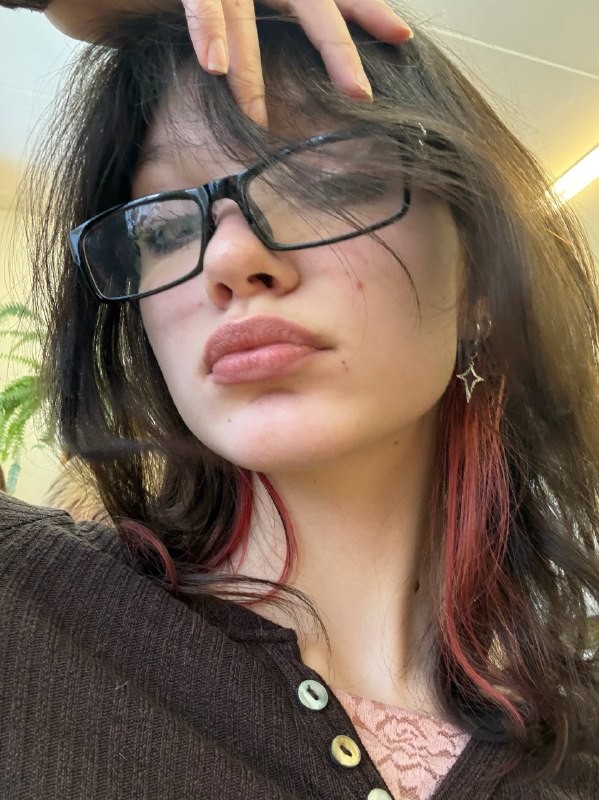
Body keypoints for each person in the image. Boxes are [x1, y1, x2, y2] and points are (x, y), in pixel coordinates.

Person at [0, 1, 597, 798]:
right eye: (164, 230)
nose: (230, 256)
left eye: (326, 181)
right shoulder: (25, 604)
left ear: (479, 279)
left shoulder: (577, 750)